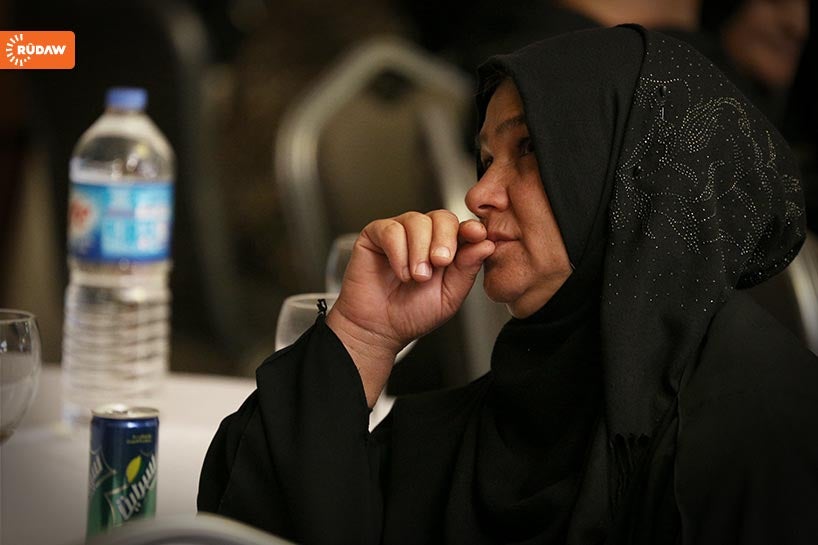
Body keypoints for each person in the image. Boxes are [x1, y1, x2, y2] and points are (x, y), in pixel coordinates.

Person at [198, 25, 818, 544]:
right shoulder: (490, 427)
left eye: (529, 149)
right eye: (488, 158)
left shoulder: (755, 426)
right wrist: (363, 337)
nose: (478, 194)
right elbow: (248, 524)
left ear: (632, 176)